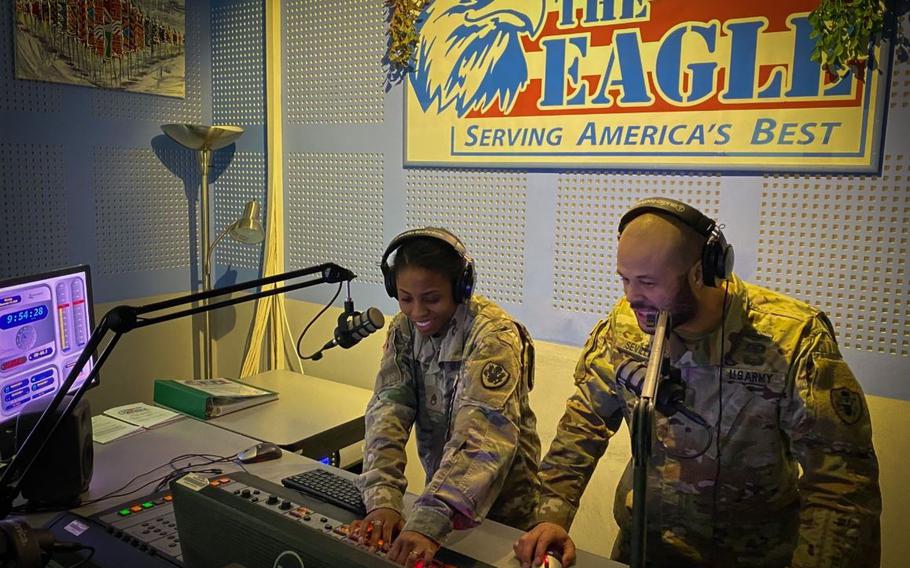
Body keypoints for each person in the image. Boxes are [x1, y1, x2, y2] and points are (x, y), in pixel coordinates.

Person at [514, 198, 881, 568]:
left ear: (700, 271)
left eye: (648, 282)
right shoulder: (627, 325)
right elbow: (583, 425)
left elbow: (841, 486)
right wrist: (551, 515)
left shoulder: (792, 340)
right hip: (643, 550)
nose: (631, 296)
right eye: (625, 279)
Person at [354, 227, 542, 566]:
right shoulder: (404, 328)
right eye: (405, 297)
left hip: (504, 514)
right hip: (442, 503)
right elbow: (389, 409)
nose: (417, 312)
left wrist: (427, 522)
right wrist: (382, 499)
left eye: (431, 298)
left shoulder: (494, 336)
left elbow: (482, 438)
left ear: (460, 288)